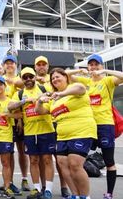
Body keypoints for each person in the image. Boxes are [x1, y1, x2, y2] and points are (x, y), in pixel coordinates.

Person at [35, 68, 97, 199]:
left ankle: (85, 196)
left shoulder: (74, 88)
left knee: (75, 164)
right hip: (62, 136)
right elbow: (40, 111)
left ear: (65, 77)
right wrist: (40, 101)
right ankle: (75, 195)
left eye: (58, 77)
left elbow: (81, 88)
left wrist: (62, 94)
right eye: (53, 79)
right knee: (63, 164)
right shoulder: (54, 98)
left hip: (82, 131)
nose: (55, 80)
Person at [68, 54, 123, 199]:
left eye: (96, 64)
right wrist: (80, 71)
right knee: (78, 159)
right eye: (90, 65)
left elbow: (122, 76)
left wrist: (105, 72)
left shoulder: (108, 80)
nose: (93, 67)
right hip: (87, 125)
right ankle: (83, 193)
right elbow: (66, 74)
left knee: (109, 161)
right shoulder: (86, 81)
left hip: (105, 124)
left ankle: (109, 193)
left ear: (101, 66)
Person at [8, 67, 56, 199]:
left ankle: (48, 190)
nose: (28, 79)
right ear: (22, 80)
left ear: (35, 77)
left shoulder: (43, 88)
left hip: (46, 130)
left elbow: (55, 98)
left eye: (31, 76)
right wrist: (25, 101)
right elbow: (10, 106)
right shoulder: (19, 93)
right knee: (33, 160)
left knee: (47, 160)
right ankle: (36, 188)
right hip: (29, 132)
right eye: (25, 77)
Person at [2, 55, 29, 194]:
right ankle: (10, 181)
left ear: (15, 65)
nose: (9, 65)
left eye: (11, 63)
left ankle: (24, 178)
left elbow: (22, 90)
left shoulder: (20, 78)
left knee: (22, 151)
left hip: (19, 119)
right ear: (3, 66)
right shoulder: (0, 81)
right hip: (5, 121)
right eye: (6, 63)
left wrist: (19, 120)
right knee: (9, 153)